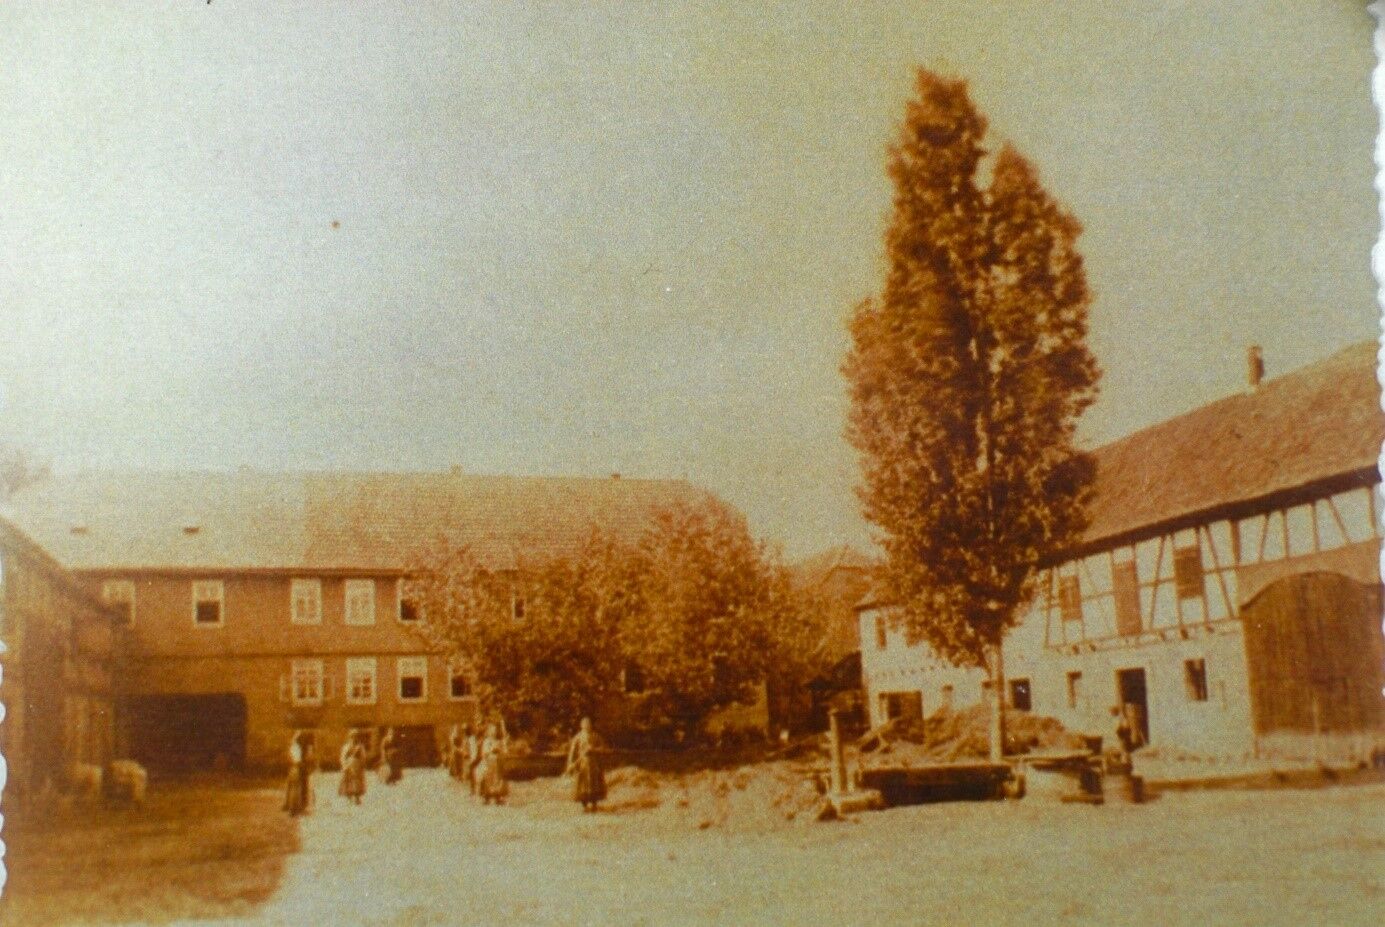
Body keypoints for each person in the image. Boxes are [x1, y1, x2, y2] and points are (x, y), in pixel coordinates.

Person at [564, 717, 607, 813]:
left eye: (588, 724)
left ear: (591, 725)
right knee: (582, 784)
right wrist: (570, 763)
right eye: (584, 724)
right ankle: (584, 805)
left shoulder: (596, 736)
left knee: (594, 783)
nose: (587, 726)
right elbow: (572, 752)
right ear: (581, 726)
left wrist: (594, 749)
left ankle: (594, 804)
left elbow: (603, 748)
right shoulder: (578, 737)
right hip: (582, 764)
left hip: (593, 764)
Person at [474, 723, 509, 805]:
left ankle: (498, 797)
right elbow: (483, 753)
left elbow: (504, 751)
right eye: (491, 731)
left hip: (497, 762)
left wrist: (500, 750)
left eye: (494, 730)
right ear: (488, 732)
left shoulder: (498, 741)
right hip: (489, 762)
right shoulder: (486, 741)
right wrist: (491, 751)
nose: (493, 732)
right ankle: (487, 797)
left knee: (498, 779)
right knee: (488, 779)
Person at [283, 730, 313, 816]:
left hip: (297, 769)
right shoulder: (296, 747)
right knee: (296, 789)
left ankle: (296, 807)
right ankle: (293, 809)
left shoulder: (297, 747)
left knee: (297, 788)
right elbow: (297, 760)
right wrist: (304, 765)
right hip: (297, 769)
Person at [339, 730, 367, 805]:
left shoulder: (360, 746)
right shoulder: (346, 746)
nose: (354, 739)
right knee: (348, 781)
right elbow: (342, 757)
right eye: (352, 737)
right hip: (348, 766)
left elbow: (363, 757)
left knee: (357, 782)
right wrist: (344, 765)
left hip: (357, 766)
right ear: (349, 737)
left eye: (355, 737)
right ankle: (349, 797)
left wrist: (362, 764)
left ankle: (357, 797)